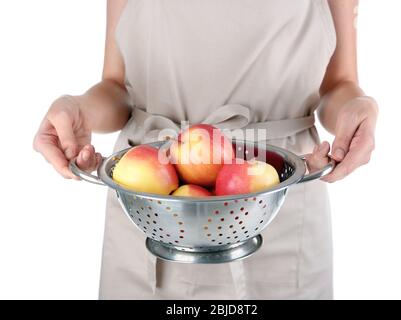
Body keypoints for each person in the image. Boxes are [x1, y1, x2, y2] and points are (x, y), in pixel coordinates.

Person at [33, 0, 378, 299]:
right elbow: (115, 86)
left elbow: (339, 83)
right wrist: (79, 109)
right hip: (149, 204)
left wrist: (359, 107)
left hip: (278, 199)